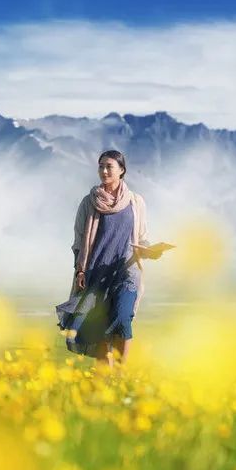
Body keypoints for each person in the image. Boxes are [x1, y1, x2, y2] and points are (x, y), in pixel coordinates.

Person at [55, 150, 163, 365]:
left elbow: (142, 238)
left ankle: (120, 373)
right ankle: (106, 382)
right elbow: (79, 241)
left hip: (127, 272)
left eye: (109, 166)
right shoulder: (89, 202)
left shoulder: (135, 202)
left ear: (121, 170)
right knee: (100, 329)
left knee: (123, 320)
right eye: (101, 166)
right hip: (96, 273)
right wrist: (80, 270)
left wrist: (151, 251)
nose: (104, 171)